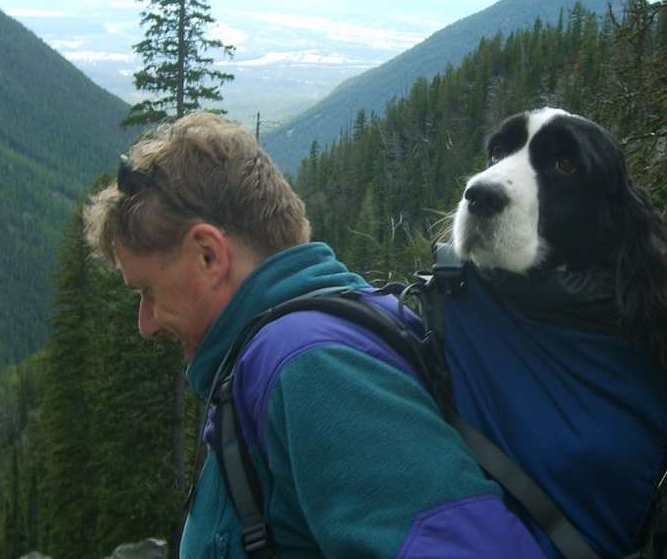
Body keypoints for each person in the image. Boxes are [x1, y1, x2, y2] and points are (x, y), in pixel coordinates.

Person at [82, 112, 542, 558]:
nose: (146, 324)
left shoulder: (312, 366)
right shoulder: (288, 351)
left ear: (208, 255)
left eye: (147, 291)